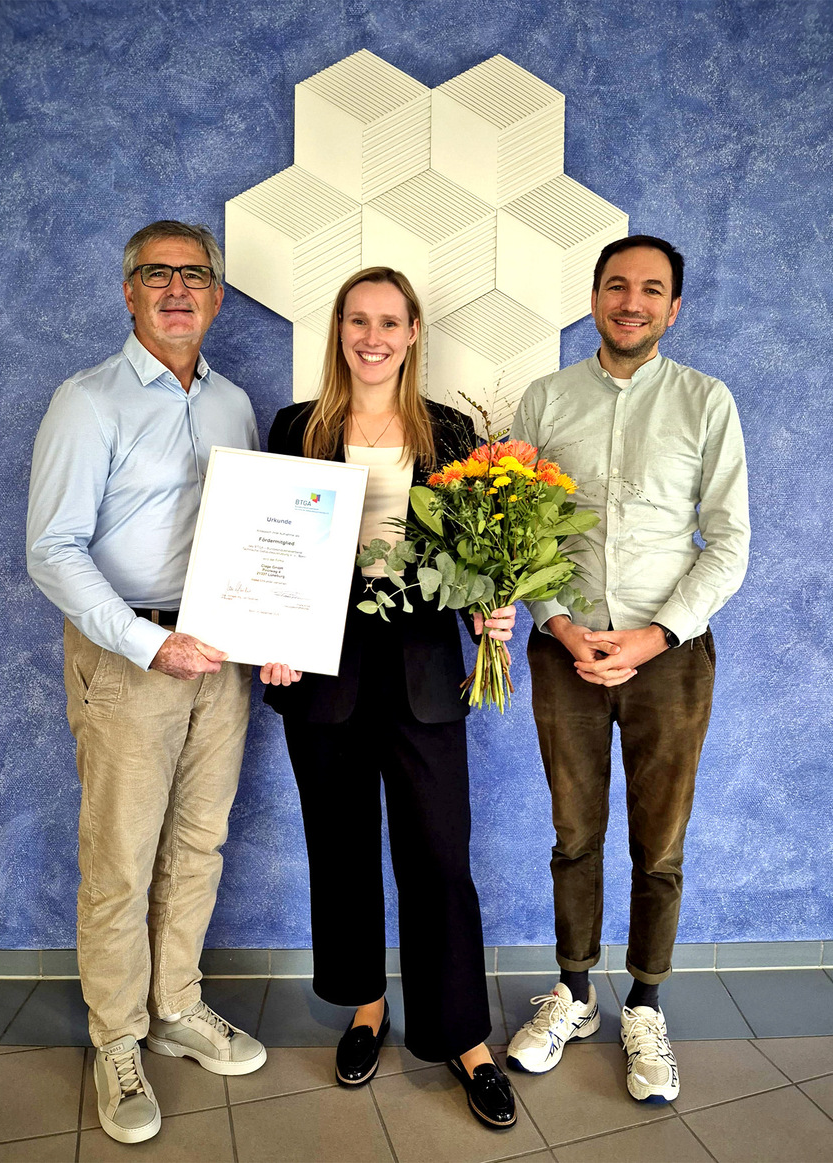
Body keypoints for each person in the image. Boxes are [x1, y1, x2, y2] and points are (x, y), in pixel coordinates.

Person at [26, 221, 298, 1145]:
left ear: (218, 297)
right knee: (119, 861)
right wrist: (150, 648)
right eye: (158, 274)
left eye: (195, 275)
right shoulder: (87, 401)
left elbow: (260, 532)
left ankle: (177, 1004)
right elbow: (51, 552)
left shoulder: (232, 402)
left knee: (198, 844)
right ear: (129, 292)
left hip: (219, 658)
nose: (178, 289)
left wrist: (271, 626)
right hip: (130, 656)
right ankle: (118, 1037)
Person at [262, 266, 518, 1129]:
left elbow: (480, 546)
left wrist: (494, 599)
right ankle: (366, 1006)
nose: (373, 337)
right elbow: (273, 548)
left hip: (422, 668)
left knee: (440, 859)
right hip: (323, 668)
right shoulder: (298, 427)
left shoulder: (447, 431)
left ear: (414, 333)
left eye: (390, 322)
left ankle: (464, 1037)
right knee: (340, 850)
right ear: (339, 330)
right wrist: (273, 637)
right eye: (357, 321)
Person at [506, 236, 749, 1103]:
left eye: (651, 289)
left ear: (673, 307)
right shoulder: (545, 399)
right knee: (575, 835)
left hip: (669, 659)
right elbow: (516, 528)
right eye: (617, 285)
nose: (631, 301)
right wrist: (562, 626)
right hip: (564, 650)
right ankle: (572, 992)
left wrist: (654, 636)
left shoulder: (705, 401)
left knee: (661, 845)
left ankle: (645, 1005)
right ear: (595, 297)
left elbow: (729, 544)